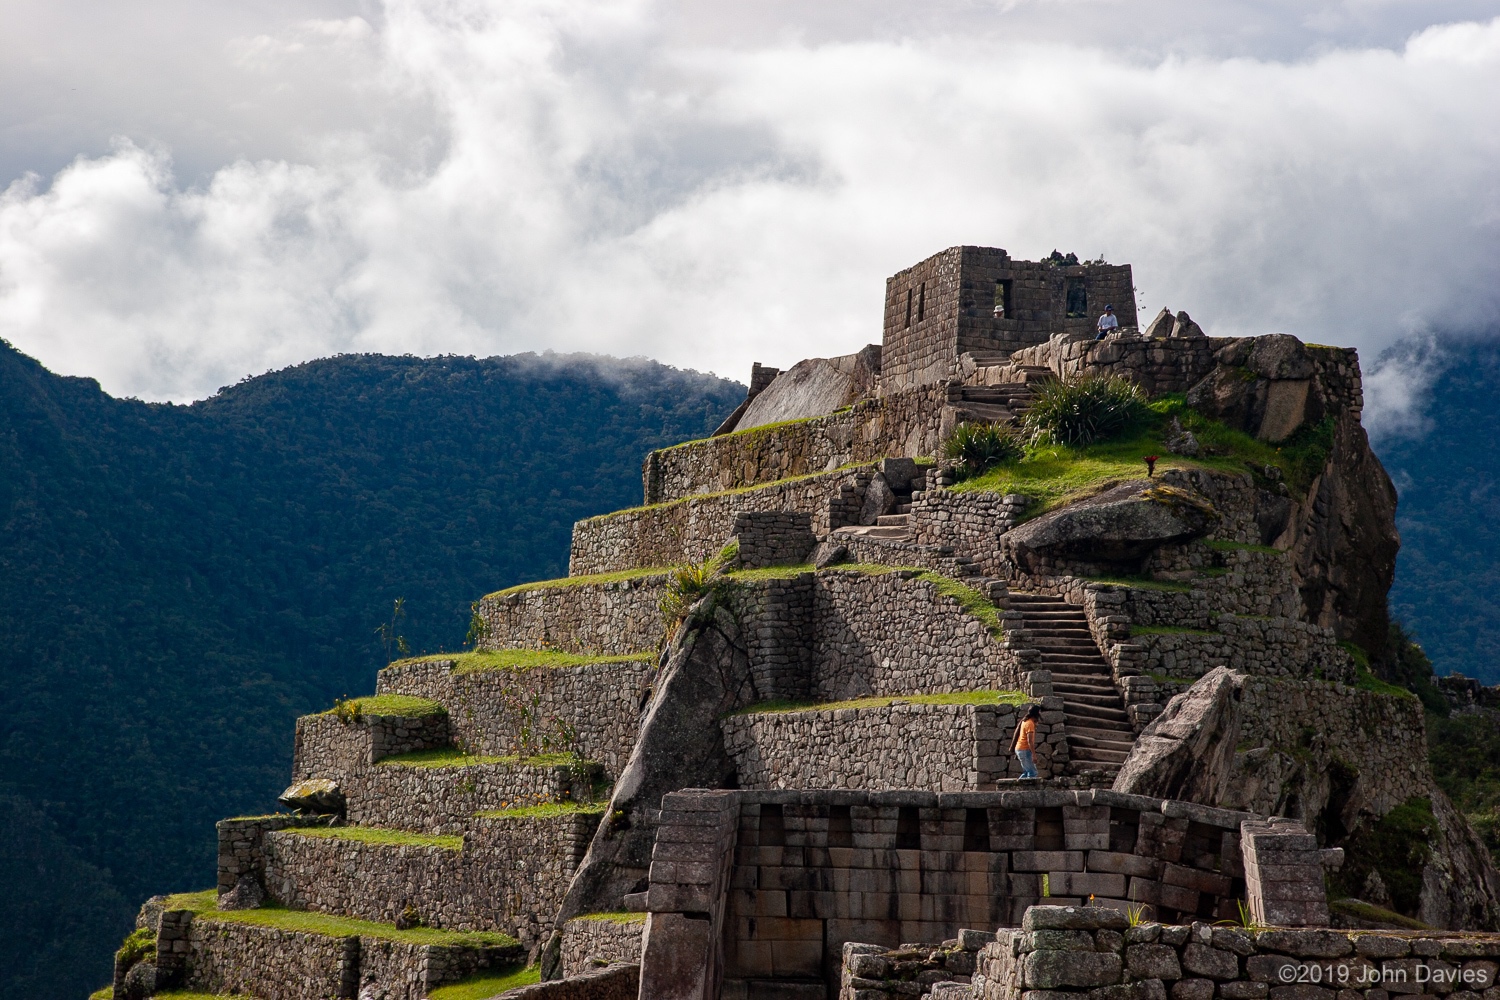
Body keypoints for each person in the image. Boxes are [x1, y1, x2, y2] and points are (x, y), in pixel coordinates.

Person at [1010, 705, 1041, 779]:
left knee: (1027, 772)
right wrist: (1034, 755)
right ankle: (1029, 790)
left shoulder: (1026, 721)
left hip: (1020, 749)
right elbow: (1030, 741)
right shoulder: (1029, 724)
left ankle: (1016, 788)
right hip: (1024, 750)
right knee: (1032, 773)